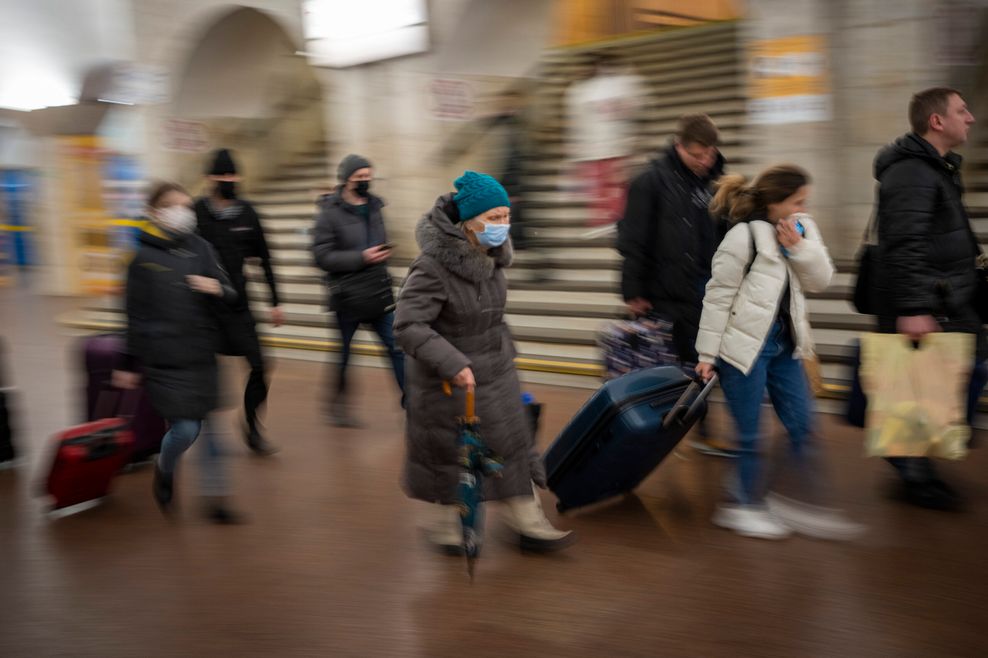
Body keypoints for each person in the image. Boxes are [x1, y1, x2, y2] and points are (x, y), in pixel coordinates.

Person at [394, 171, 573, 553]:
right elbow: (408, 325)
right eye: (493, 218)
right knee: (451, 454)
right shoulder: (431, 268)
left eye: (506, 217)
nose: (502, 226)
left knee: (512, 442)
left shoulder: (491, 261)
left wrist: (507, 354)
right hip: (450, 380)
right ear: (467, 223)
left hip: (497, 370)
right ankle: (446, 525)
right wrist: (452, 362)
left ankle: (526, 520)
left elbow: (491, 315)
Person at [696, 165, 861, 540]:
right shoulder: (742, 236)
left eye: (805, 201)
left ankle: (800, 502)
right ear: (775, 202)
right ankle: (741, 506)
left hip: (786, 345)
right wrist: (707, 354)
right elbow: (717, 297)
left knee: (804, 424)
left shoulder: (802, 228)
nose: (803, 208)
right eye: (797, 201)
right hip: (743, 349)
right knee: (751, 434)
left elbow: (821, 280)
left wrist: (798, 248)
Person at [871, 87, 981, 510]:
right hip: (929, 300)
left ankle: (915, 463)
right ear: (937, 121)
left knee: (933, 383)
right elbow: (904, 244)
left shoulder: (934, 168)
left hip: (948, 295)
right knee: (916, 387)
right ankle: (914, 476)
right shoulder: (912, 173)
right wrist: (914, 308)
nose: (969, 118)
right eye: (961, 110)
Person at [113, 182, 241, 523]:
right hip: (165, 357)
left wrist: (216, 288)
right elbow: (132, 313)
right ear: (155, 213)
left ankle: (217, 502)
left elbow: (230, 292)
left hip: (201, 352)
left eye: (187, 205)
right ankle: (164, 466)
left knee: (213, 430)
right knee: (186, 429)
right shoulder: (141, 258)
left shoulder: (201, 248)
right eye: (174, 206)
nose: (183, 212)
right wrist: (128, 361)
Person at [618, 113, 732, 457]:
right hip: (665, 289)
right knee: (684, 360)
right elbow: (632, 238)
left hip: (707, 286)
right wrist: (633, 291)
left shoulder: (716, 181)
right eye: (696, 154)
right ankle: (682, 428)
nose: (704, 161)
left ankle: (693, 427)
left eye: (709, 154)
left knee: (704, 359)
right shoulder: (650, 181)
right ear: (678, 145)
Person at [194, 148, 282, 456]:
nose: (229, 180)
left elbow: (265, 257)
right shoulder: (196, 213)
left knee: (260, 366)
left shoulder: (248, 212)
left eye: (234, 174)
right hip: (203, 310)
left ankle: (251, 426)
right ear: (209, 178)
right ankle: (198, 432)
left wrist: (275, 300)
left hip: (238, 306)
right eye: (223, 175)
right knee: (204, 377)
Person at [312, 154, 405, 427]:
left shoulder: (375, 207)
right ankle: (337, 405)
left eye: (368, 176)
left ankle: (411, 403)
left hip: (378, 291)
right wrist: (361, 257)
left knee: (397, 347)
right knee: (344, 352)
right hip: (347, 295)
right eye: (360, 177)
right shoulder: (329, 213)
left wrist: (381, 254)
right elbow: (321, 256)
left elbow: (381, 240)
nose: (366, 181)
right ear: (346, 179)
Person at [565, 52, 645, 226]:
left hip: (610, 146)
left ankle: (613, 218)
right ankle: (608, 219)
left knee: (612, 184)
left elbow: (630, 111)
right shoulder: (583, 90)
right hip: (600, 147)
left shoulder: (606, 88)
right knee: (604, 185)